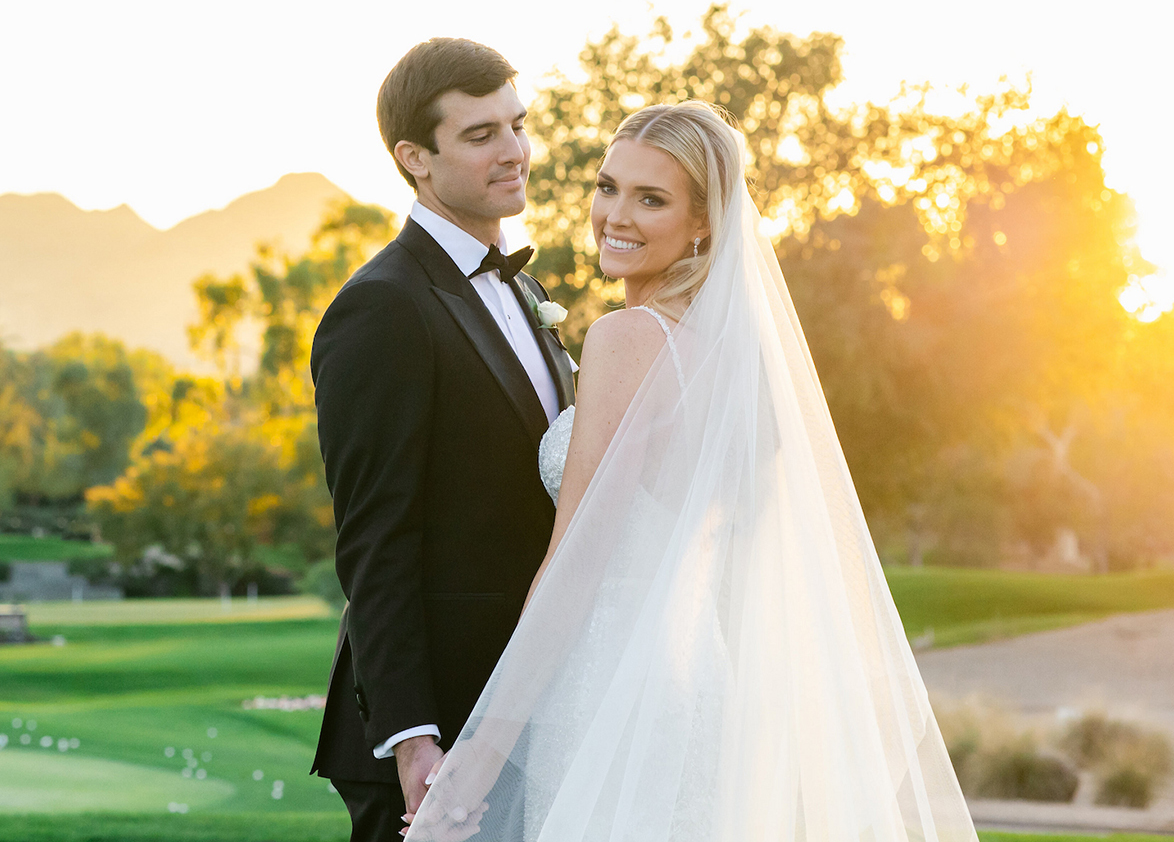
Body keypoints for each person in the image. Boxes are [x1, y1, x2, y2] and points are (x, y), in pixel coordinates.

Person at [406, 102, 977, 841]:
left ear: (704, 221)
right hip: (696, 682)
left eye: (652, 199)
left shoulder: (626, 339)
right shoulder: (731, 357)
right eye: (608, 187)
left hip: (607, 689)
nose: (616, 215)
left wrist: (484, 753)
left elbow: (577, 560)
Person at [310, 38, 577, 842]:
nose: (515, 151)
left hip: (532, 711)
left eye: (517, 125)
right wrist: (412, 736)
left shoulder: (527, 290)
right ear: (414, 159)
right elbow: (375, 539)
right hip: (440, 733)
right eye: (481, 134)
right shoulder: (383, 307)